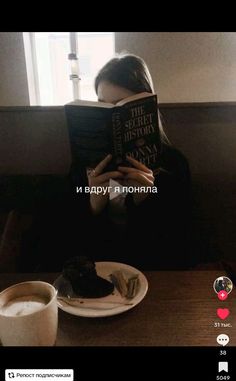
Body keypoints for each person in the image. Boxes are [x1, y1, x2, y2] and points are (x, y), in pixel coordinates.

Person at [20, 53, 196, 272]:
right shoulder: (83, 166)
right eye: (103, 104)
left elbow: (179, 251)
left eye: (122, 105)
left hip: (152, 283)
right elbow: (65, 249)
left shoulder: (174, 165)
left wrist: (146, 203)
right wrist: (94, 205)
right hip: (97, 285)